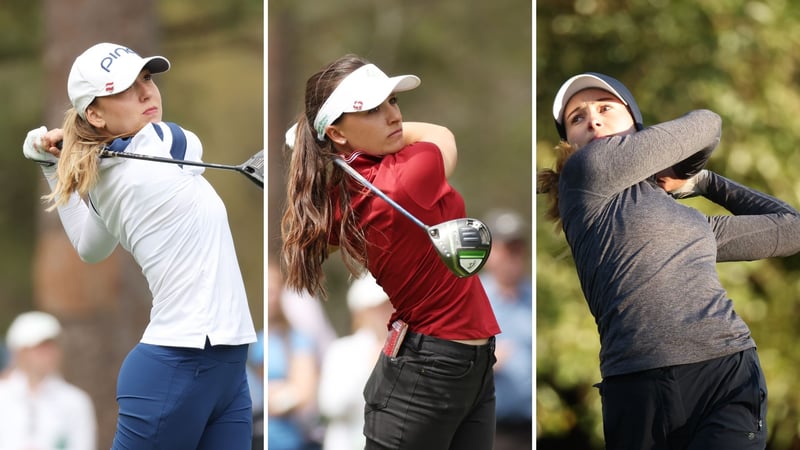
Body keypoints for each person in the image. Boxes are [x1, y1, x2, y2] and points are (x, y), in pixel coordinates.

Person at [537, 72, 800, 449]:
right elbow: (706, 125)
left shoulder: (695, 224)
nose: (593, 119)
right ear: (570, 140)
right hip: (637, 388)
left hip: (724, 373)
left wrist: (706, 182)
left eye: (606, 108)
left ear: (635, 123)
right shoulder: (585, 172)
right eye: (577, 117)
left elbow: (791, 229)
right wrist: (683, 169)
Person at [21, 42, 257, 449]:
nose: (147, 92)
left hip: (228, 366)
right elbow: (192, 150)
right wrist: (72, 156)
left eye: (147, 78)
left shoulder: (102, 181)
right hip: (176, 367)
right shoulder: (168, 141)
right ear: (94, 113)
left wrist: (51, 165)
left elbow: (89, 248)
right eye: (126, 88)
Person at [281, 54, 500, 450]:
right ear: (338, 132)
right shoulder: (406, 176)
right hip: (427, 369)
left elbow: (327, 235)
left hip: (460, 362)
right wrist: (323, 139)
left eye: (392, 102)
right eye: (372, 109)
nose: (394, 117)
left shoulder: (339, 199)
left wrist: (324, 142)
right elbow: (443, 135)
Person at [318, 273, 394, 450]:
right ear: (363, 312)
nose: (389, 310)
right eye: (379, 307)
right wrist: (372, 364)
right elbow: (331, 405)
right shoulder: (342, 351)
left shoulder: (408, 349)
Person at [0, 311, 97, 450]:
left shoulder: (75, 401)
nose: (49, 354)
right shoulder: (2, 396)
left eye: (52, 346)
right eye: (39, 348)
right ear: (20, 352)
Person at [479, 209, 532, 450]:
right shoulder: (470, 299)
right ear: (489, 254)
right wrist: (482, 358)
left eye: (518, 248)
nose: (513, 256)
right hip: (490, 430)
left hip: (530, 426)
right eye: (506, 248)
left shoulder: (532, 297)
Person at [267, 262, 322, 450]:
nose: (269, 298)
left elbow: (305, 392)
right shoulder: (254, 342)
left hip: (293, 441)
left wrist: (278, 399)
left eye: (273, 291)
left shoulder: (297, 339)